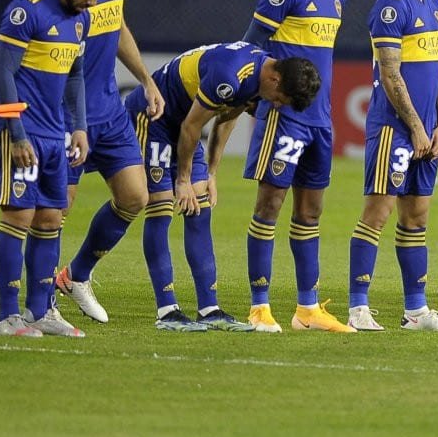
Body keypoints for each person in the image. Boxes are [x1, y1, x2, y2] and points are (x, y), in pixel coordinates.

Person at [29, 0, 164, 325]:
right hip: (67, 115)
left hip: (109, 109)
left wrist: (145, 78)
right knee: (55, 211)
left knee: (135, 197)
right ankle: (40, 304)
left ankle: (76, 275)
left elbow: (117, 24)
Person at [127, 41, 318, 332]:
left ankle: (209, 309)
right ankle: (167, 310)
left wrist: (211, 173)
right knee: (161, 208)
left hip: (185, 124)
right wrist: (182, 180)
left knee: (200, 209)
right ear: (275, 79)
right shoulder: (230, 75)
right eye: (279, 98)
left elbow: (226, 119)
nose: (276, 104)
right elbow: (192, 127)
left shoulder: (259, 79)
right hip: (155, 117)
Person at [230, 0, 351, 333]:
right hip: (285, 117)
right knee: (269, 205)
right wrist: (254, 98)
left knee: (311, 212)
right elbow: (250, 47)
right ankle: (259, 307)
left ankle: (307, 310)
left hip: (321, 120)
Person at [0, 0, 112, 337]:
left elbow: (75, 75)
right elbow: (4, 74)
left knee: (50, 220)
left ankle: (40, 312)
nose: (92, 3)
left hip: (55, 134)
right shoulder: (26, 11)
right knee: (18, 218)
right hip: (20, 132)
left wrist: (80, 127)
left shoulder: (81, 19)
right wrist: (16, 133)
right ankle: (7, 317)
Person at [346, 0, 438, 332]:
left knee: (417, 217)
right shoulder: (390, 7)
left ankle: (416, 311)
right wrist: (415, 127)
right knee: (377, 213)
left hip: (427, 130)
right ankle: (358, 307)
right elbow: (391, 75)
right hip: (394, 129)